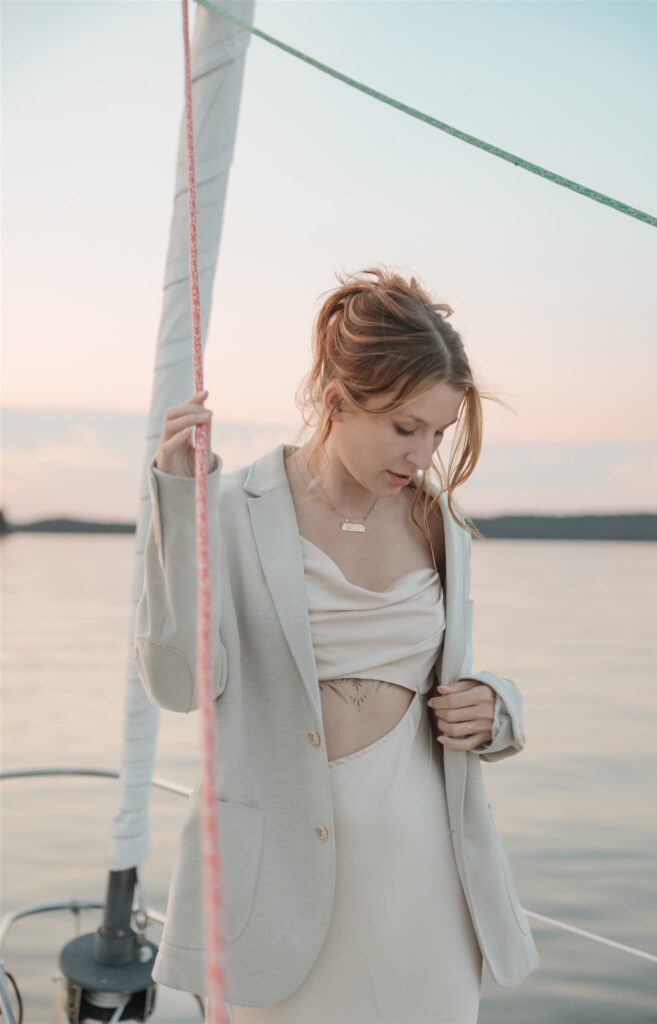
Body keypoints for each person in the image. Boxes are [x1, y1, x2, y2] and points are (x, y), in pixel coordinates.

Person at [135, 265, 538, 1024]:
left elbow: (450, 687)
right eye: (402, 427)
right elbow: (179, 682)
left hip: (428, 876)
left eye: (437, 433)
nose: (422, 455)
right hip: (275, 886)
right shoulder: (226, 505)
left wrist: (496, 707)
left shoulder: (439, 527)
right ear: (335, 403)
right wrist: (175, 500)